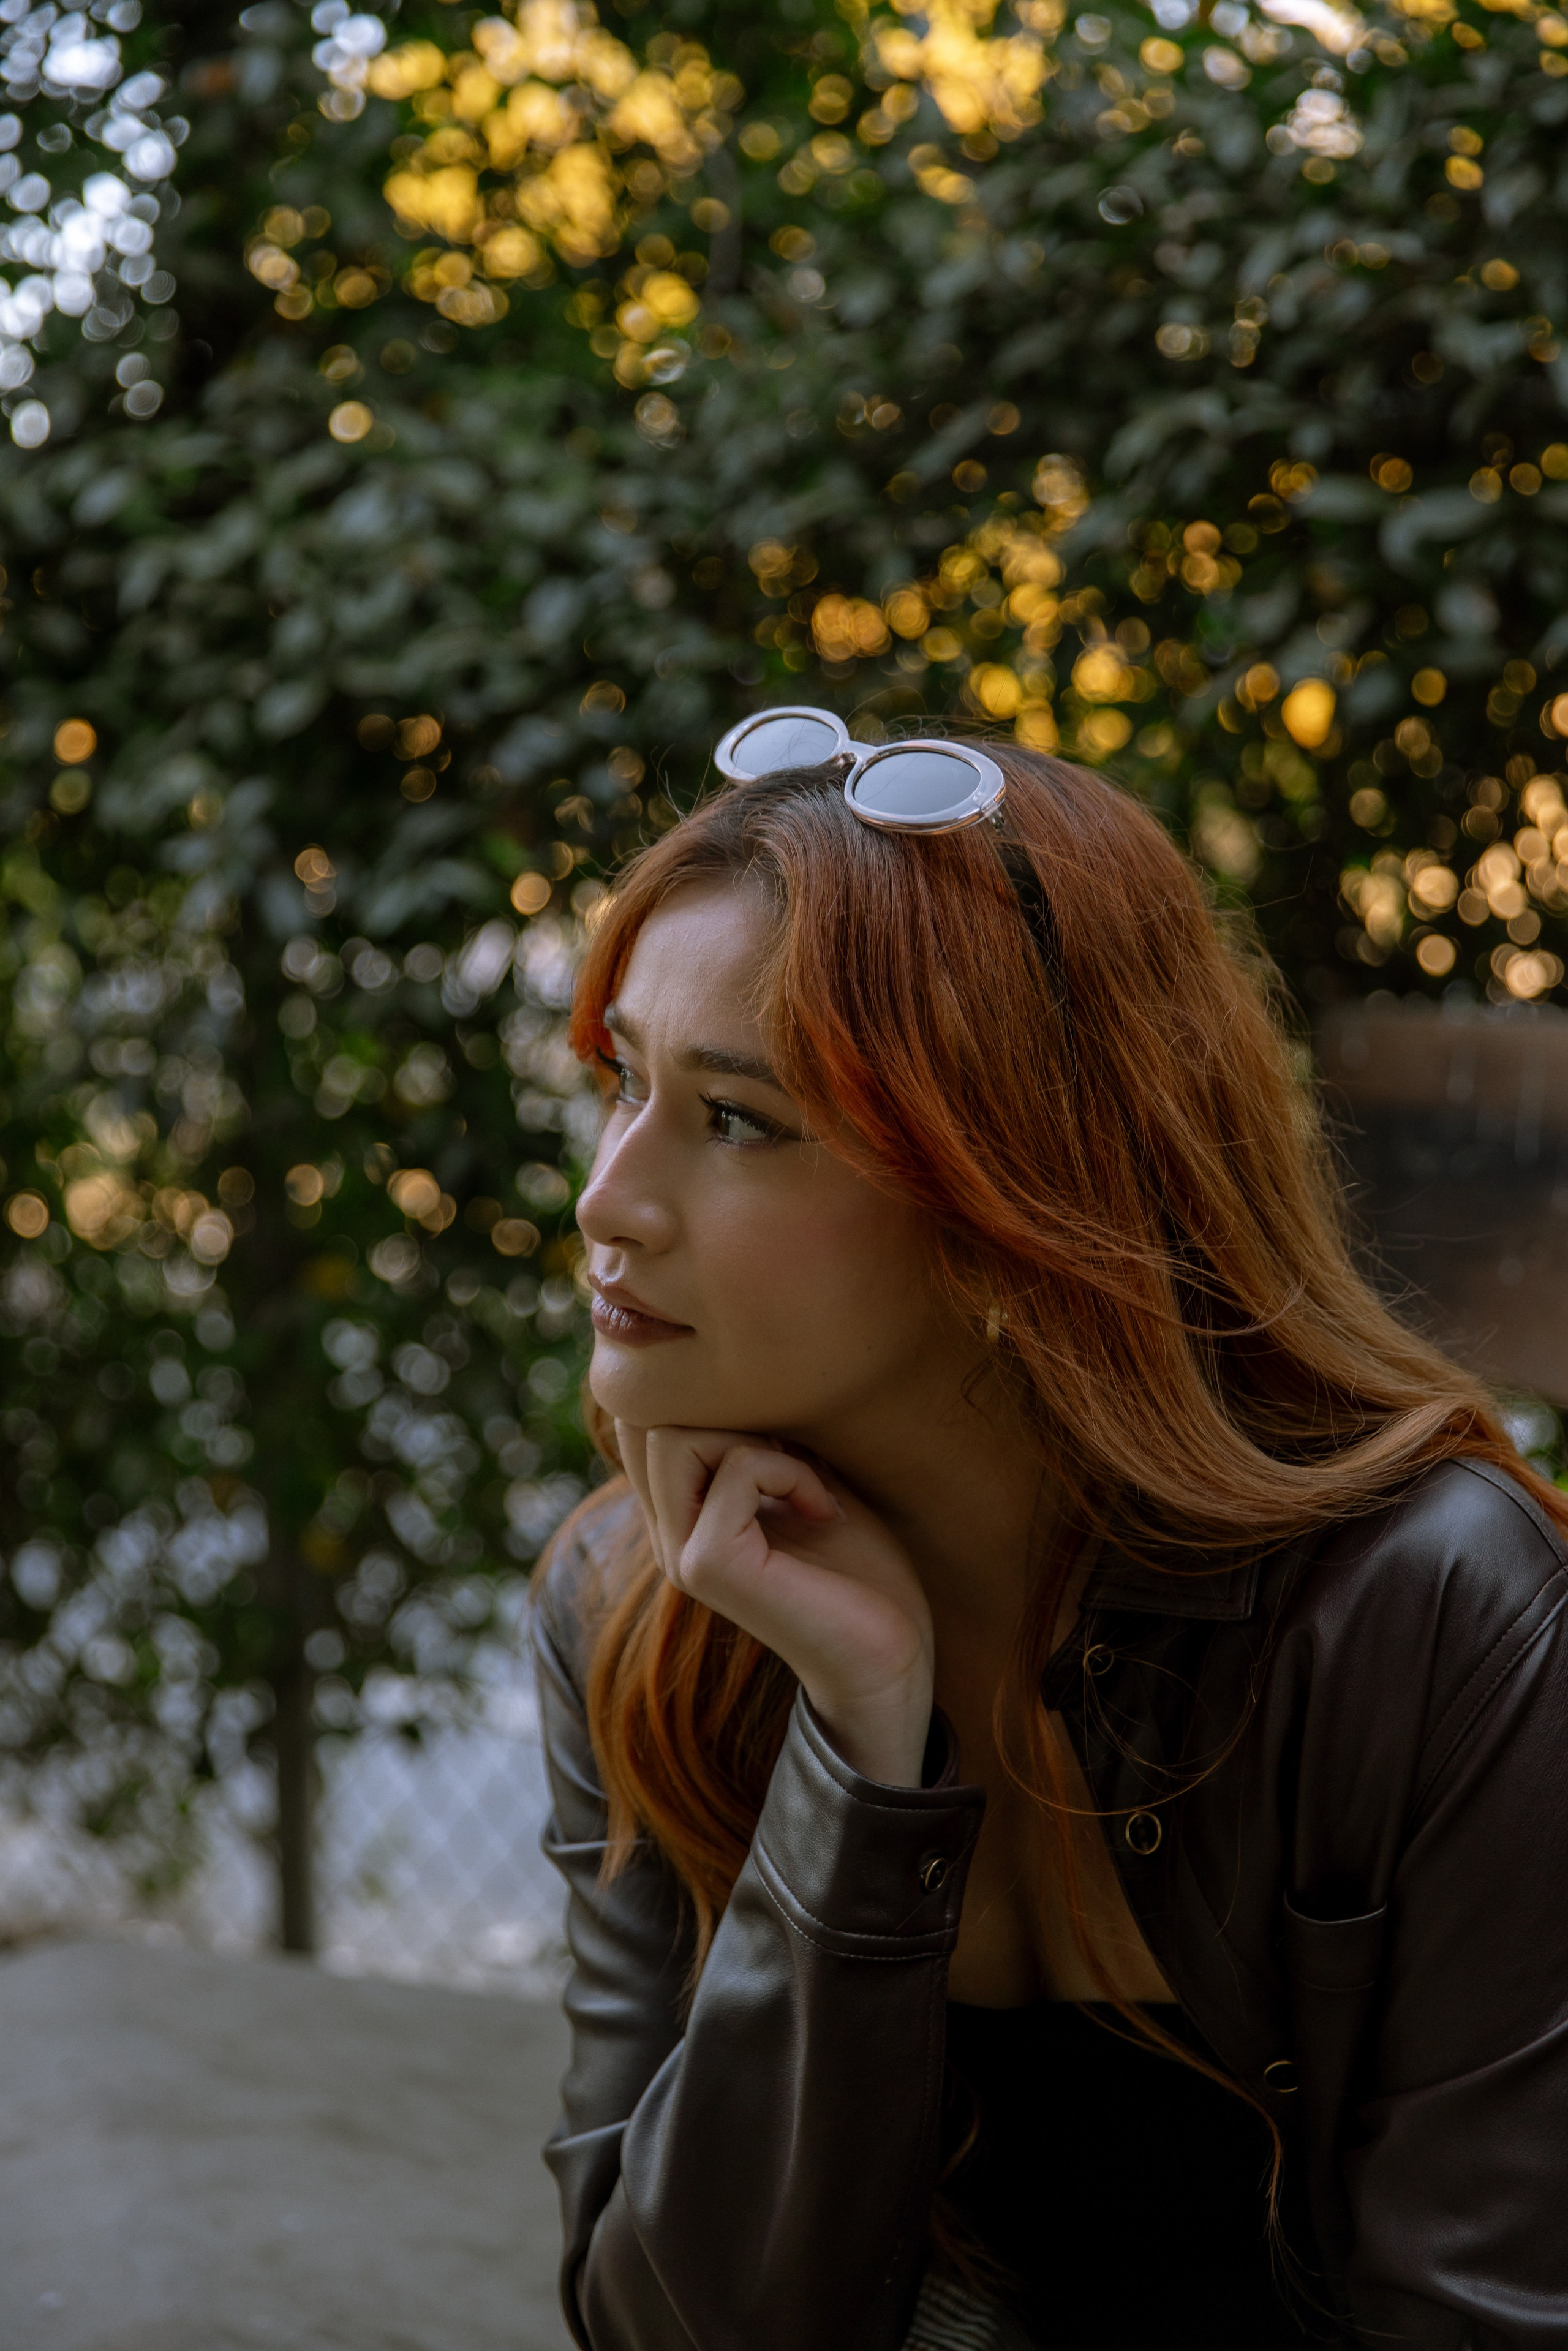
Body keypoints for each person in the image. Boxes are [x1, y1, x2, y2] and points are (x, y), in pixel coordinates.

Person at [532, 715, 1568, 2351]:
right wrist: (858, 1749)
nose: (608, 1197)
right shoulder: (641, 1603)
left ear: (1006, 1199)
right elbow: (674, 2327)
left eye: (734, 1120)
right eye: (622, 1083)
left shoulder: (1429, 1619)